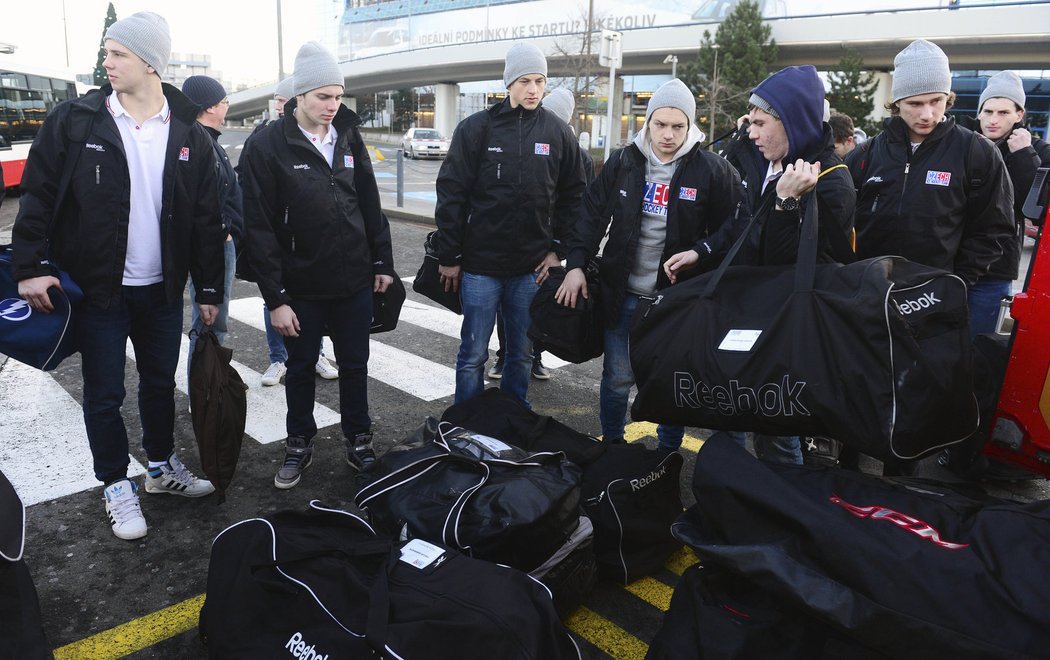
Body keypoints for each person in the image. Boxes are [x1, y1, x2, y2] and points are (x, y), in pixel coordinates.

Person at [11, 12, 223, 540]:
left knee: (158, 383)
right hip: (100, 290)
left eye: (118, 54)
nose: (107, 63)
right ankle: (114, 485)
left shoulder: (188, 133)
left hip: (162, 289)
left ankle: (159, 468)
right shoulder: (77, 120)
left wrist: (210, 289)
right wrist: (30, 267)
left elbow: (204, 217)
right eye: (107, 53)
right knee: (104, 394)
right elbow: (38, 196)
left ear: (151, 64)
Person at [845, 40, 1014, 474]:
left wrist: (956, 283)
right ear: (896, 101)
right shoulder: (867, 155)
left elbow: (992, 229)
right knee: (863, 384)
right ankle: (845, 471)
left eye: (937, 101)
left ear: (949, 98)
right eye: (915, 103)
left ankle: (898, 485)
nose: (927, 113)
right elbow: (843, 223)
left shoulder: (975, 152)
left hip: (932, 300)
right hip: (873, 297)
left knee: (915, 394)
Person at [556, 79, 748, 450]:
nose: (668, 134)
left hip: (673, 301)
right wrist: (576, 263)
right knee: (616, 378)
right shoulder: (624, 161)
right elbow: (591, 214)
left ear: (690, 126)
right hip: (622, 293)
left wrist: (702, 251)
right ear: (647, 122)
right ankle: (611, 445)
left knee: (668, 380)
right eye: (660, 124)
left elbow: (738, 226)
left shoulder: (712, 169)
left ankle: (667, 452)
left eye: (678, 126)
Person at [240, 41, 394, 489]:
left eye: (338, 96)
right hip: (300, 286)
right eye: (323, 96)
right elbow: (259, 228)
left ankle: (358, 439)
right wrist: (276, 298)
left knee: (355, 364)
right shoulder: (267, 144)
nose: (332, 105)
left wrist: (381, 260)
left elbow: (368, 200)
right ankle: (298, 442)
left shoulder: (347, 135)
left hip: (353, 280)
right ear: (298, 97)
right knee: (301, 367)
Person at [434, 42, 586, 407]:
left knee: (520, 353)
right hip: (480, 268)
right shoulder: (476, 129)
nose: (533, 90)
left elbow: (575, 198)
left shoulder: (557, 133)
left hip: (530, 271)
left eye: (539, 81)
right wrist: (449, 255)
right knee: (473, 354)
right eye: (524, 81)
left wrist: (558, 251)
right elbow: (451, 194)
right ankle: (465, 421)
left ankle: (514, 419)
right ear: (509, 83)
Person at [718, 65, 857, 464]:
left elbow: (788, 264)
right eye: (752, 123)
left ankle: (781, 509)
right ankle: (732, 494)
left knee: (776, 431)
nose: (753, 133)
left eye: (761, 123)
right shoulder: (768, 158)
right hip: (747, 309)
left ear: (792, 122)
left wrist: (786, 203)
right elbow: (742, 221)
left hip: (787, 324)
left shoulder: (830, 180)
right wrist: (703, 253)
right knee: (731, 412)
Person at [242, 76, 339, 386]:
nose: (285, 107)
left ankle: (317, 353)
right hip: (278, 242)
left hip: (309, 250)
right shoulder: (263, 137)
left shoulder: (326, 133)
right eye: (281, 102)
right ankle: (278, 358)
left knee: (314, 304)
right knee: (275, 301)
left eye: (288, 101)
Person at [488, 87, 588, 382]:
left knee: (540, 303)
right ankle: (505, 355)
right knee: (510, 305)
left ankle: (535, 357)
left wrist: (560, 249)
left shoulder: (574, 153)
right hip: (524, 240)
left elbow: (579, 203)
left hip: (551, 245)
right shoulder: (526, 139)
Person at [969, 71, 1050, 334]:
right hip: (948, 263)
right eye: (988, 111)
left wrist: (1025, 156)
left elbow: (1039, 210)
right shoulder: (960, 141)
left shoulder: (1035, 149)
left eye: (1003, 112)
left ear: (1019, 115)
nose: (993, 120)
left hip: (995, 270)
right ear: (979, 112)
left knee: (978, 350)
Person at [181, 75, 242, 395]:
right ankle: (203, 389)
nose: (227, 106)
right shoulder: (199, 142)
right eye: (224, 102)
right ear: (209, 107)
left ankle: (204, 384)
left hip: (220, 242)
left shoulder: (209, 140)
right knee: (210, 320)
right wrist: (226, 231)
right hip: (215, 245)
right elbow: (205, 199)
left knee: (211, 319)